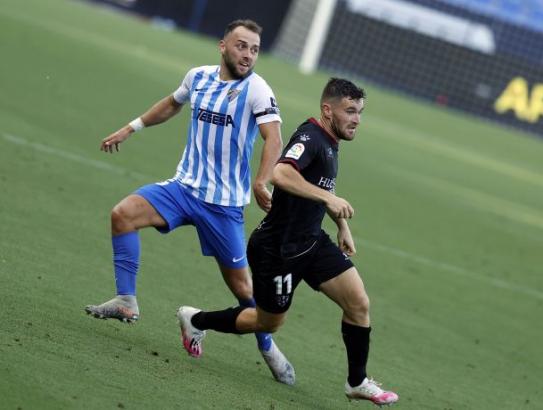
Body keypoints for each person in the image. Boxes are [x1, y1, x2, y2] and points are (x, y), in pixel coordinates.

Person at [85, 19, 295, 385]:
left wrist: (262, 180)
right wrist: (130, 128)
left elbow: (273, 139)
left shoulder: (258, 90)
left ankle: (267, 346)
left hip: (223, 206)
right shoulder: (198, 77)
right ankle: (125, 301)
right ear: (223, 46)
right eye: (241, 46)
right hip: (182, 189)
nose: (248, 55)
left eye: (254, 49)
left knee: (245, 291)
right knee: (122, 215)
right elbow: (171, 104)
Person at [176, 78, 398, 405]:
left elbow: (323, 185)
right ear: (327, 110)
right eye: (350, 111)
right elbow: (282, 174)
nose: (356, 119)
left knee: (358, 303)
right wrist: (329, 200)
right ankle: (195, 320)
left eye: (360, 112)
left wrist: (341, 226)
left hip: (311, 242)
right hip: (277, 250)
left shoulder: (330, 141)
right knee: (267, 322)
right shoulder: (309, 137)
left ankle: (357, 381)